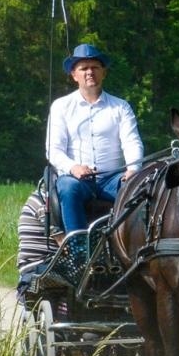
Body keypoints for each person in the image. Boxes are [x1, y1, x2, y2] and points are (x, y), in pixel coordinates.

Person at [46, 42, 143, 236]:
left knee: (142, 189)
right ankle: (79, 251)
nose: (89, 72)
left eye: (94, 67)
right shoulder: (61, 106)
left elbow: (132, 142)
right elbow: (53, 150)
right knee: (67, 187)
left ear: (103, 72)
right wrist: (74, 168)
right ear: (74, 75)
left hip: (113, 178)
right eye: (83, 68)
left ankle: (132, 247)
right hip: (77, 180)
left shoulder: (121, 107)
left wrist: (133, 170)